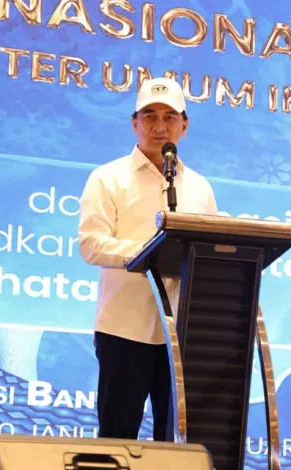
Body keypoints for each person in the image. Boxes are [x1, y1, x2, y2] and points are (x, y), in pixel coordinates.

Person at [77, 77, 218, 442]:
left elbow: (209, 254)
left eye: (170, 117)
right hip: (125, 329)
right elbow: (91, 244)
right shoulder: (107, 178)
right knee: (117, 439)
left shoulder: (199, 186)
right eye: (149, 116)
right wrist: (148, 253)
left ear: (185, 125)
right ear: (134, 123)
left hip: (182, 335)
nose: (159, 126)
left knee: (176, 444)